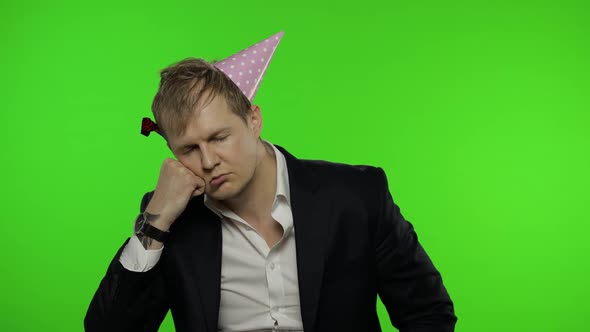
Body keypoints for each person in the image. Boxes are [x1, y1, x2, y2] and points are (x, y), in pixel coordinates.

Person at [84, 32, 457, 332]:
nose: (209, 161)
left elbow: (429, 313)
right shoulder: (170, 217)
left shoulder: (357, 196)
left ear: (254, 120)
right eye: (189, 149)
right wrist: (156, 221)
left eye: (219, 138)